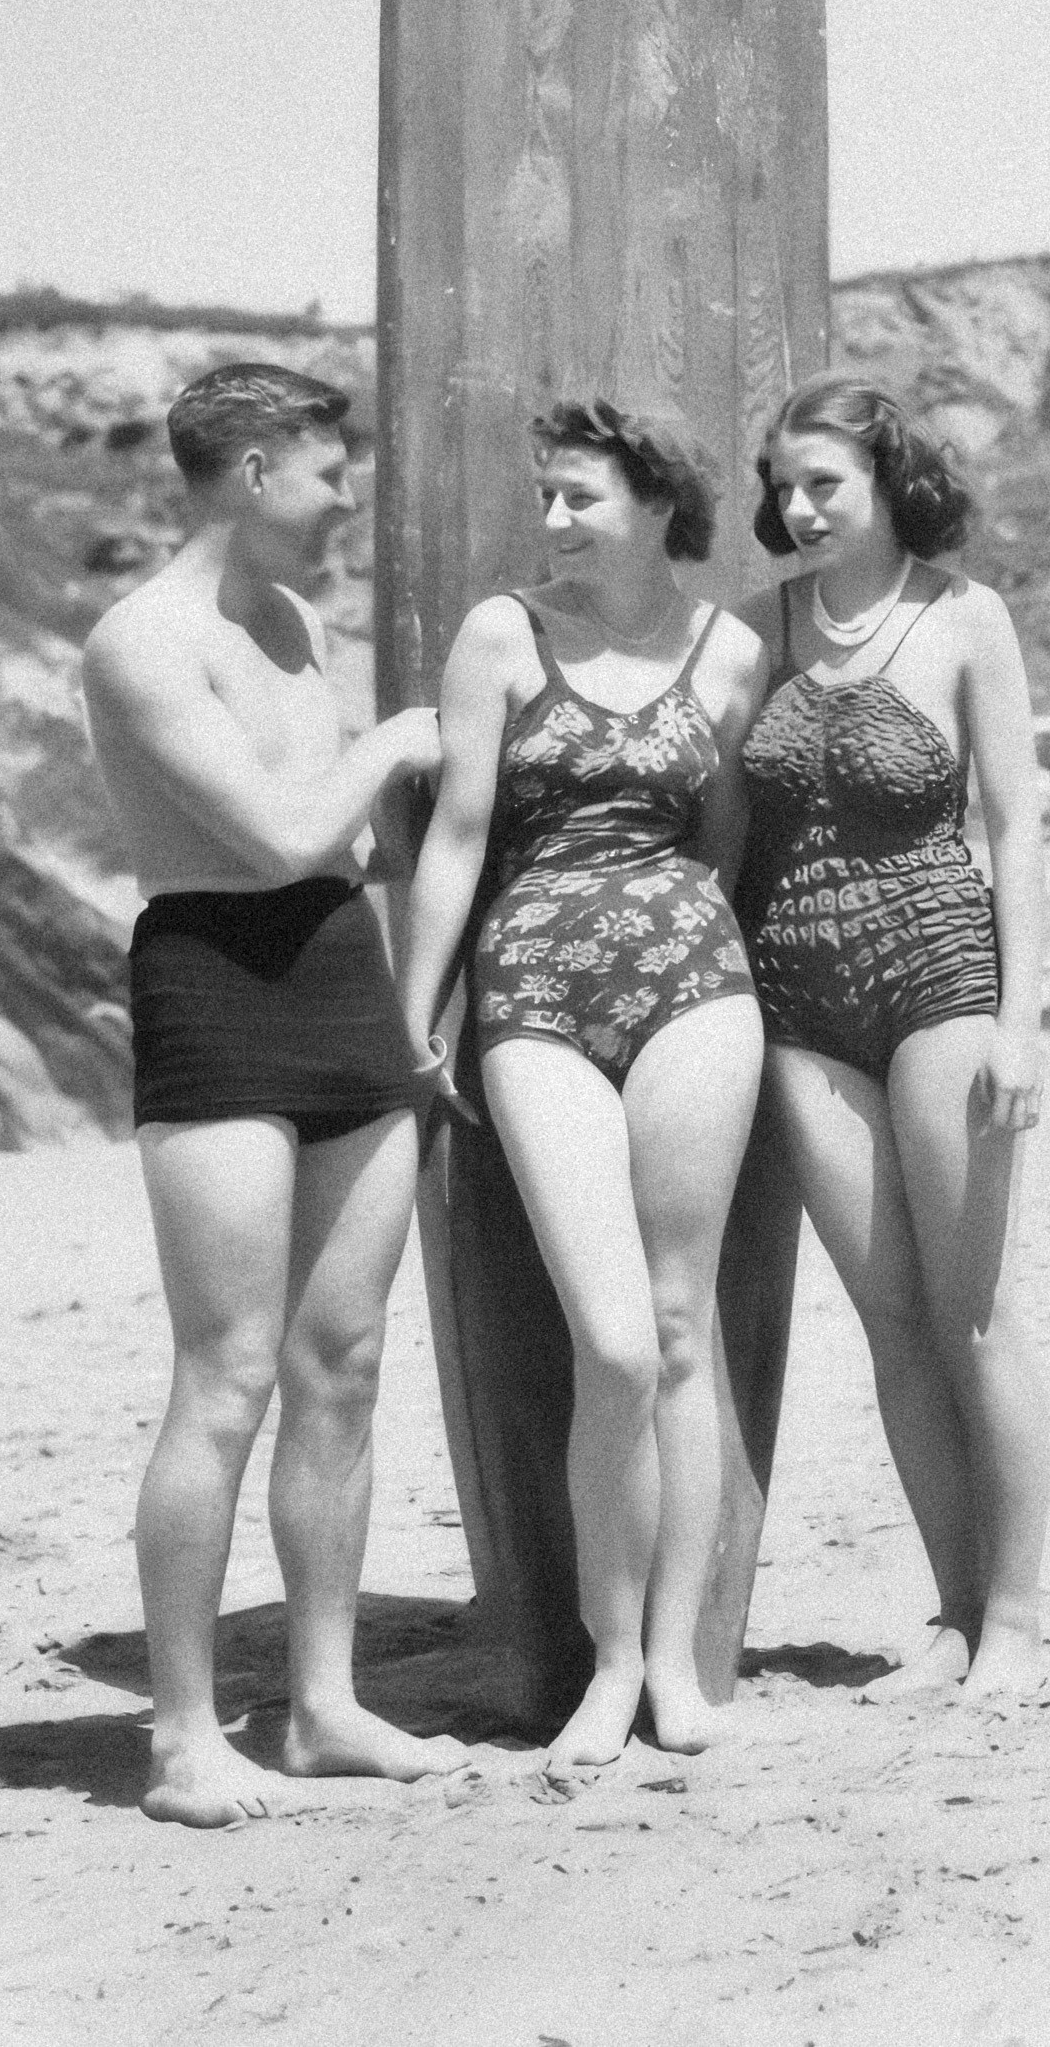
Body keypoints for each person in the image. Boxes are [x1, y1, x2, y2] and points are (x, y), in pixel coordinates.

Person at [81, 361, 465, 1827]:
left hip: (339, 984)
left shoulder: (294, 623)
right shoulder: (143, 641)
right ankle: (183, 1735)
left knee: (343, 1359)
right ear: (250, 475)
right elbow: (282, 833)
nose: (345, 500)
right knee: (228, 1372)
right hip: (216, 988)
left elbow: (338, 858)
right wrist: (397, 740)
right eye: (325, 474)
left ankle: (321, 1704)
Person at [396, 400, 768, 1771]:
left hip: (694, 983)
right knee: (609, 1341)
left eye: (578, 500)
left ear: (659, 503)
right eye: (545, 497)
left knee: (681, 1329)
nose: (550, 522)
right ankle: (608, 1661)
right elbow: (460, 833)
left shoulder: (727, 651)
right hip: (535, 991)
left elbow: (720, 836)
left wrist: (683, 948)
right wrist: (416, 1011)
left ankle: (671, 1665)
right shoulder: (505, 633)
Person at [737, 374, 1050, 1702]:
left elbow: (1017, 819)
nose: (798, 508)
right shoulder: (760, 632)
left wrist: (1022, 1022)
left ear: (886, 484)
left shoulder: (963, 618)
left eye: (825, 484)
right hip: (798, 997)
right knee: (892, 1326)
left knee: (970, 1314)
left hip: (938, 971)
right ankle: (952, 1612)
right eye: (783, 486)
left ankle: (1021, 1627)